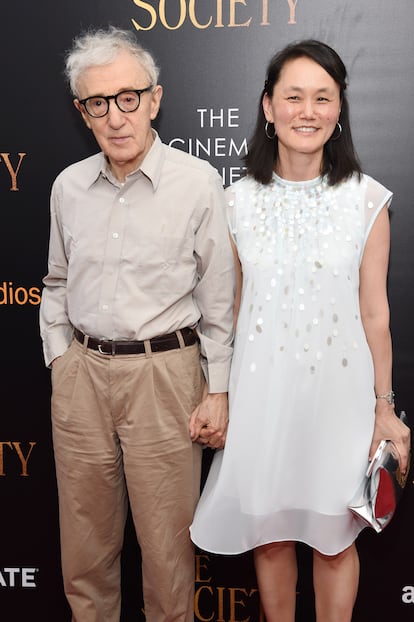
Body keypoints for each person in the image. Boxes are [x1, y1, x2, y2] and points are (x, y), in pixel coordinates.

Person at [190, 40, 411, 622]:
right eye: (293, 97)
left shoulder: (366, 200)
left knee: (336, 540)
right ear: (268, 106)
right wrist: (221, 393)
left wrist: (384, 410)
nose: (307, 111)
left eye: (323, 97)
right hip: (263, 395)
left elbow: (375, 314)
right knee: (271, 535)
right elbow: (230, 309)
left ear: (339, 110)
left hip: (340, 400)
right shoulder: (233, 203)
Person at [39, 26, 235, 622]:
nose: (115, 117)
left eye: (128, 98)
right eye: (98, 103)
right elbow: (55, 283)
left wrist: (219, 389)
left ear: (154, 99)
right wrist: (60, 358)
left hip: (166, 379)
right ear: (83, 112)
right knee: (85, 549)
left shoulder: (198, 182)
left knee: (168, 554)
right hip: (82, 377)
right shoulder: (68, 187)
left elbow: (221, 300)